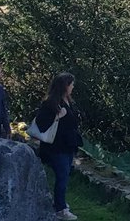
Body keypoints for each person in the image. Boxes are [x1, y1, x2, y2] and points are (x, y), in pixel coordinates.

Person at [34, 73, 83, 221]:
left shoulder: (68, 101)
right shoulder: (50, 103)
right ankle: (60, 209)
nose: (73, 87)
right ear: (65, 86)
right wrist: (57, 116)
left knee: (65, 175)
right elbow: (41, 124)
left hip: (68, 145)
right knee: (62, 176)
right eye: (71, 84)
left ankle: (59, 202)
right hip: (55, 147)